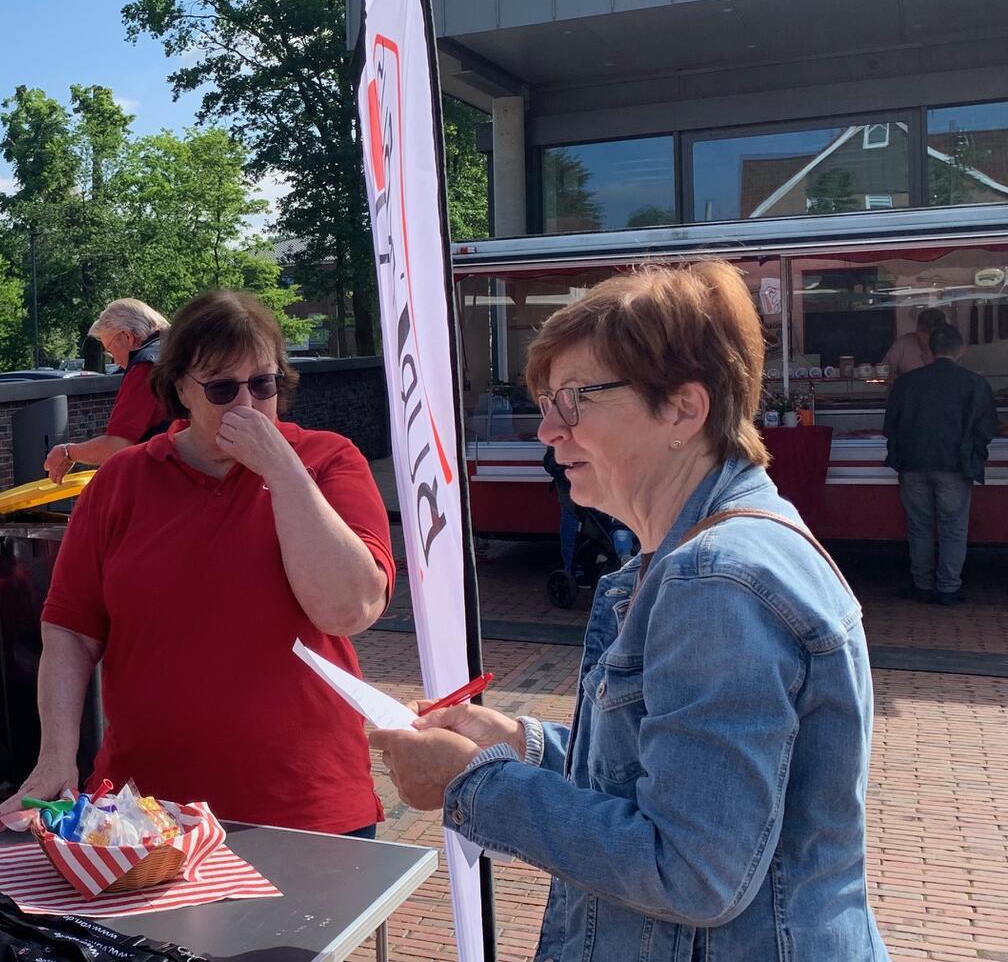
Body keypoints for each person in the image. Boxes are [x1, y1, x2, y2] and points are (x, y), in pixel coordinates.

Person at [369, 261, 888, 960]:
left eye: (575, 400)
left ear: (682, 409)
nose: (548, 431)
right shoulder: (703, 554)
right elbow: (666, 778)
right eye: (548, 403)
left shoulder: (714, 579)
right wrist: (520, 744)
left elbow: (693, 870)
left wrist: (473, 781)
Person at [0, 289, 396, 837]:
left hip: (303, 806)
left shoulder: (326, 462)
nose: (247, 406)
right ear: (181, 387)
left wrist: (283, 471)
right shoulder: (123, 480)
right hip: (148, 813)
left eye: (263, 384)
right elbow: (70, 628)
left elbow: (350, 609)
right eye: (223, 388)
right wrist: (55, 756)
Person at [884, 323, 1000, 606]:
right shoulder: (974, 383)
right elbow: (987, 427)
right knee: (953, 528)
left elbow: (890, 426)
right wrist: (975, 455)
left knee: (919, 527)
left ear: (929, 351)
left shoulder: (906, 383)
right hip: (955, 465)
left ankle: (922, 585)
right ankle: (948, 588)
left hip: (912, 464)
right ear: (961, 350)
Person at [45, 299, 170, 483]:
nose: (114, 362)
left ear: (127, 337)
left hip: (169, 483)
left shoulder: (145, 367)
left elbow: (117, 446)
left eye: (110, 351)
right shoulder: (180, 350)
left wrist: (67, 452)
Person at [882, 306, 947, 376]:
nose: (931, 342)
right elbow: (884, 373)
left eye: (935, 336)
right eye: (926, 334)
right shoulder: (903, 344)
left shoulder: (950, 346)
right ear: (918, 330)